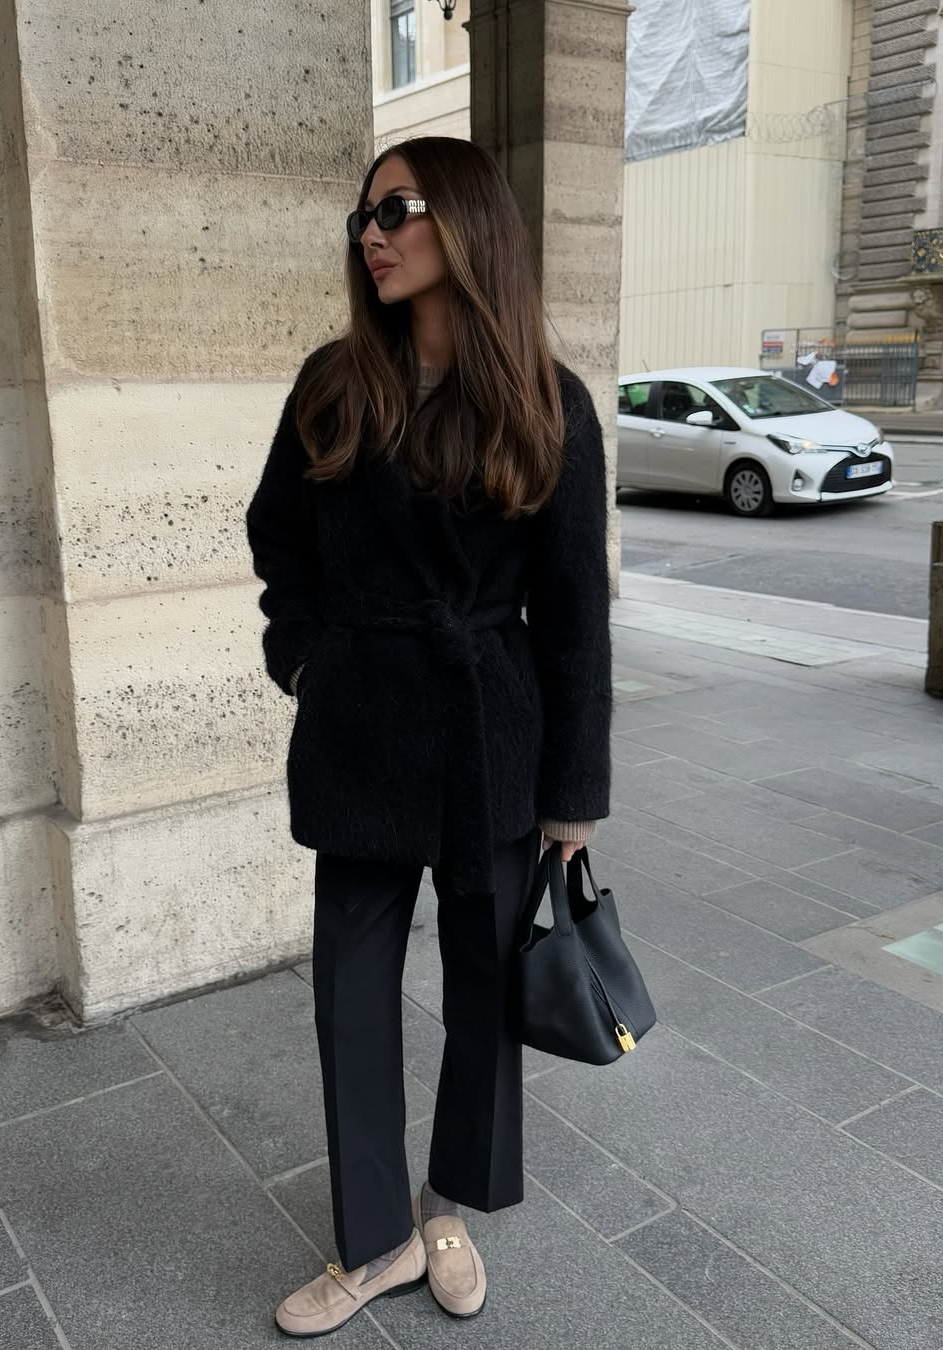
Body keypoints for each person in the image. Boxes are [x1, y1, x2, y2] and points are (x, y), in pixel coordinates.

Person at [245, 135, 612, 1338]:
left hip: (489, 733)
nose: (372, 232)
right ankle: (374, 1240)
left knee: (484, 990)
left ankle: (444, 1206)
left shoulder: (549, 403)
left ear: (465, 222)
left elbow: (571, 614)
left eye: (397, 208)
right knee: (352, 991)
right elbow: (278, 543)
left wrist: (575, 790)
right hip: (360, 729)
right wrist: (302, 655)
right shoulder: (334, 383)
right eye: (364, 214)